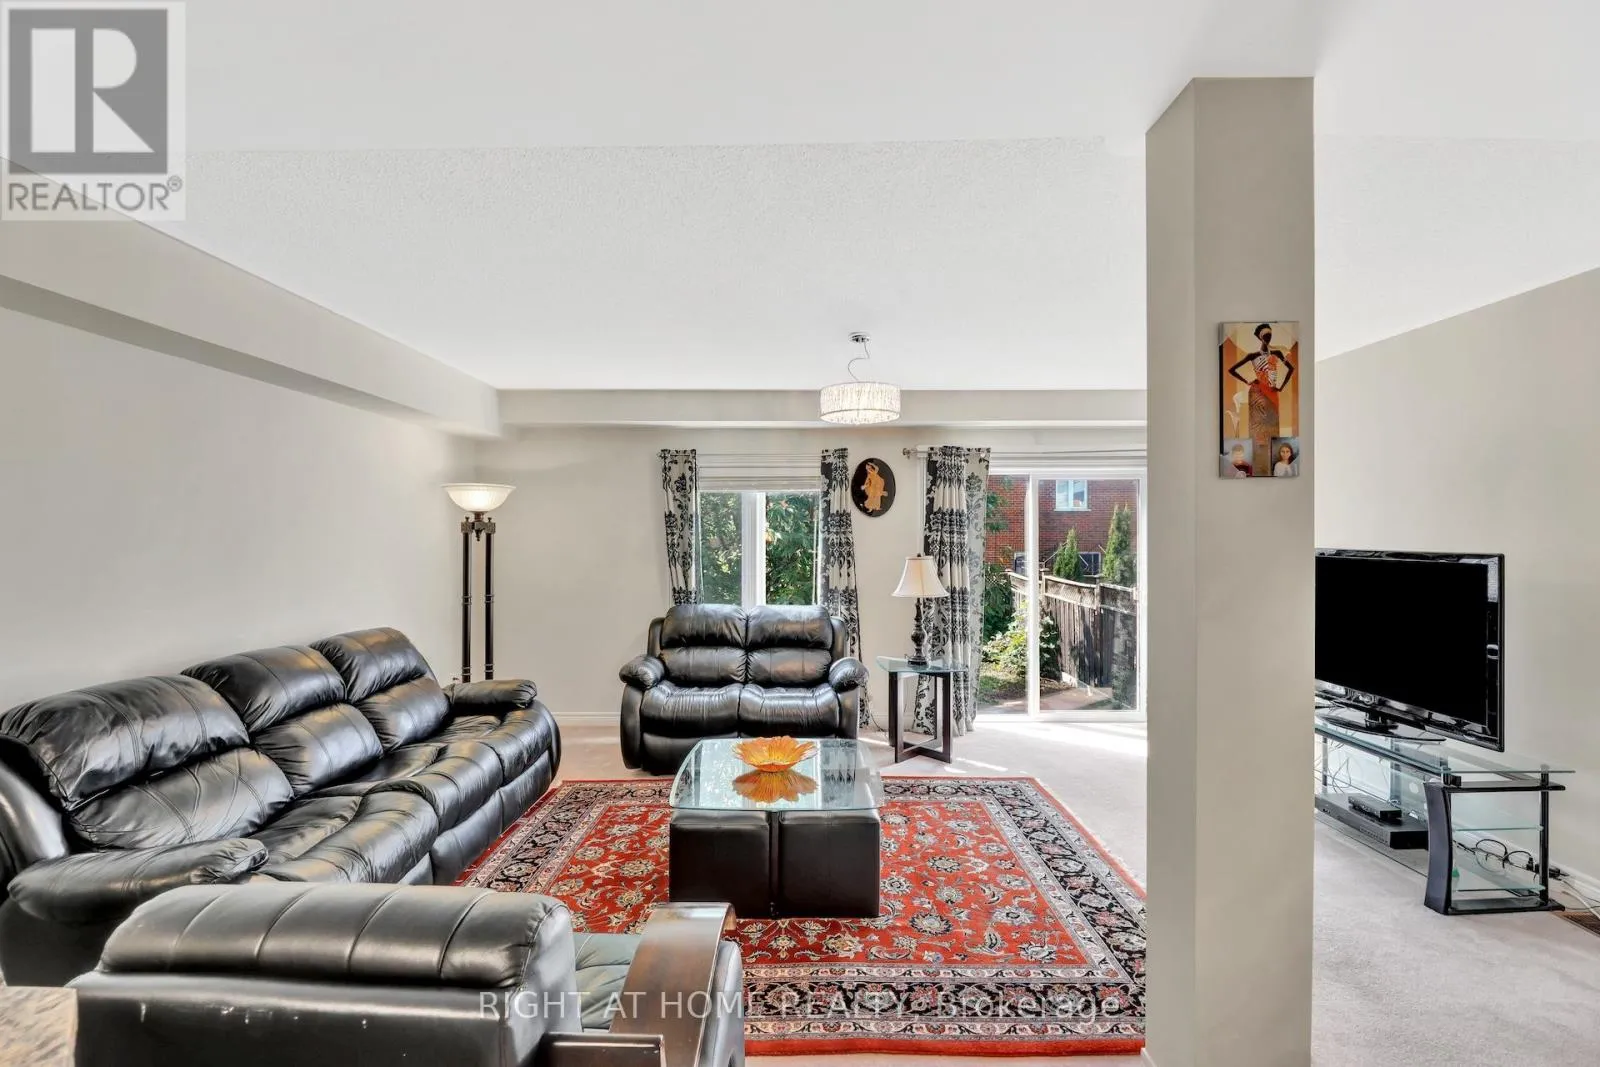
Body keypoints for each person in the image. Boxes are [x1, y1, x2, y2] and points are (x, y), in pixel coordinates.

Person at [1228, 324, 1295, 474]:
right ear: (1260, 337)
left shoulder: (1277, 353)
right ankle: (1257, 466)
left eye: (1270, 335)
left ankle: (1271, 466)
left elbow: (1291, 369)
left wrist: (1281, 387)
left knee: (1272, 428)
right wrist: (1248, 381)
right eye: (1265, 336)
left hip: (1272, 393)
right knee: (1257, 429)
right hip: (1257, 394)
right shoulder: (1253, 356)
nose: (1268, 338)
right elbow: (1232, 370)